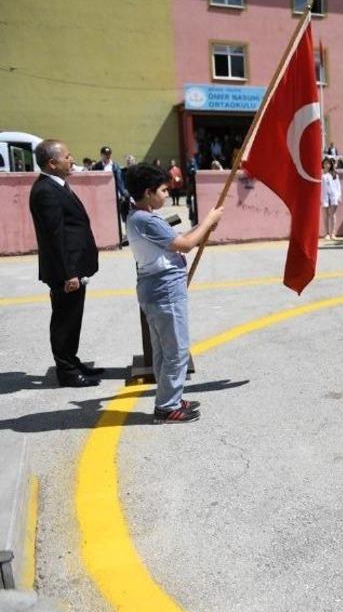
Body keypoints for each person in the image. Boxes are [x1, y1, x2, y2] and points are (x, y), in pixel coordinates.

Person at [123, 163, 224, 422]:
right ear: (148, 192)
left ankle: (171, 396)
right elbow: (187, 245)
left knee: (164, 350)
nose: (167, 194)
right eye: (163, 190)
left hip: (156, 290)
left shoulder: (138, 216)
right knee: (176, 350)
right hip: (164, 291)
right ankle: (167, 407)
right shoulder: (146, 220)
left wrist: (203, 228)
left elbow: (178, 240)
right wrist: (208, 221)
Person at [29, 139, 103, 387]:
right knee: (64, 320)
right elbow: (55, 236)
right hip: (65, 271)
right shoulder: (45, 192)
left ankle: (71, 360)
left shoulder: (57, 186)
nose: (72, 160)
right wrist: (69, 273)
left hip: (72, 267)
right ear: (52, 163)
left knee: (73, 318)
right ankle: (67, 372)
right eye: (67, 156)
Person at [320, 156, 341, 240]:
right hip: (324, 196)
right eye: (325, 163)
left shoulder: (334, 174)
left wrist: (339, 196)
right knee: (325, 215)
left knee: (332, 215)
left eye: (328, 163)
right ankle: (327, 233)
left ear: (330, 165)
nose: (326, 165)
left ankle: (332, 233)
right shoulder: (321, 174)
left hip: (333, 196)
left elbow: (338, 186)